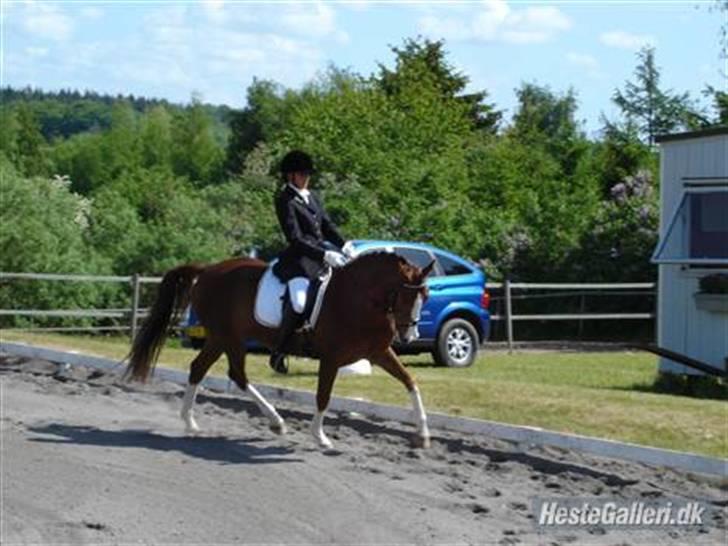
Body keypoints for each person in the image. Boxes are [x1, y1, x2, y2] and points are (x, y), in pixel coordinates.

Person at [269, 150, 353, 374]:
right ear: (291, 176)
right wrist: (324, 255)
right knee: (298, 302)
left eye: (308, 174)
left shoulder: (311, 196)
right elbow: (294, 238)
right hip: (298, 260)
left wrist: (344, 245)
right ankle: (279, 350)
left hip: (319, 257)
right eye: (302, 174)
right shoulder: (284, 199)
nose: (306, 177)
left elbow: (326, 225)